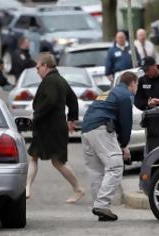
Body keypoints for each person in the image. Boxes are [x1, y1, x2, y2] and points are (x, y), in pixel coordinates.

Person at [26, 52, 84, 203]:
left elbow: (50, 101)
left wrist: (36, 115)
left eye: (38, 67)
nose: (37, 70)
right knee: (34, 156)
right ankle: (26, 187)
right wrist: (72, 119)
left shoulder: (50, 81)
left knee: (57, 161)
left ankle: (78, 189)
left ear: (45, 66)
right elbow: (73, 99)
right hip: (49, 127)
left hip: (51, 127)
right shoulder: (60, 80)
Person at [81, 71, 138, 221]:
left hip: (87, 130)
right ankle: (101, 204)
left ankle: (99, 206)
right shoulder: (125, 96)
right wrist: (124, 145)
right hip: (101, 129)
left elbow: (115, 119)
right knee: (115, 166)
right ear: (132, 83)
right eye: (136, 84)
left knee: (96, 170)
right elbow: (126, 123)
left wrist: (120, 144)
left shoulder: (108, 93)